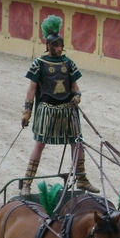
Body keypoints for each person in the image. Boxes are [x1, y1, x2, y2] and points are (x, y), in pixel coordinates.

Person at [20, 15, 100, 196]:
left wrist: (77, 97)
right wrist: (27, 111)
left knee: (77, 143)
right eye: (55, 45)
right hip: (47, 110)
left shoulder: (68, 63)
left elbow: (75, 87)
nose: (58, 48)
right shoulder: (39, 64)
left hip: (67, 110)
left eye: (60, 45)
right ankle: (27, 182)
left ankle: (82, 178)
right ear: (48, 46)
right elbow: (32, 89)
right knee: (39, 144)